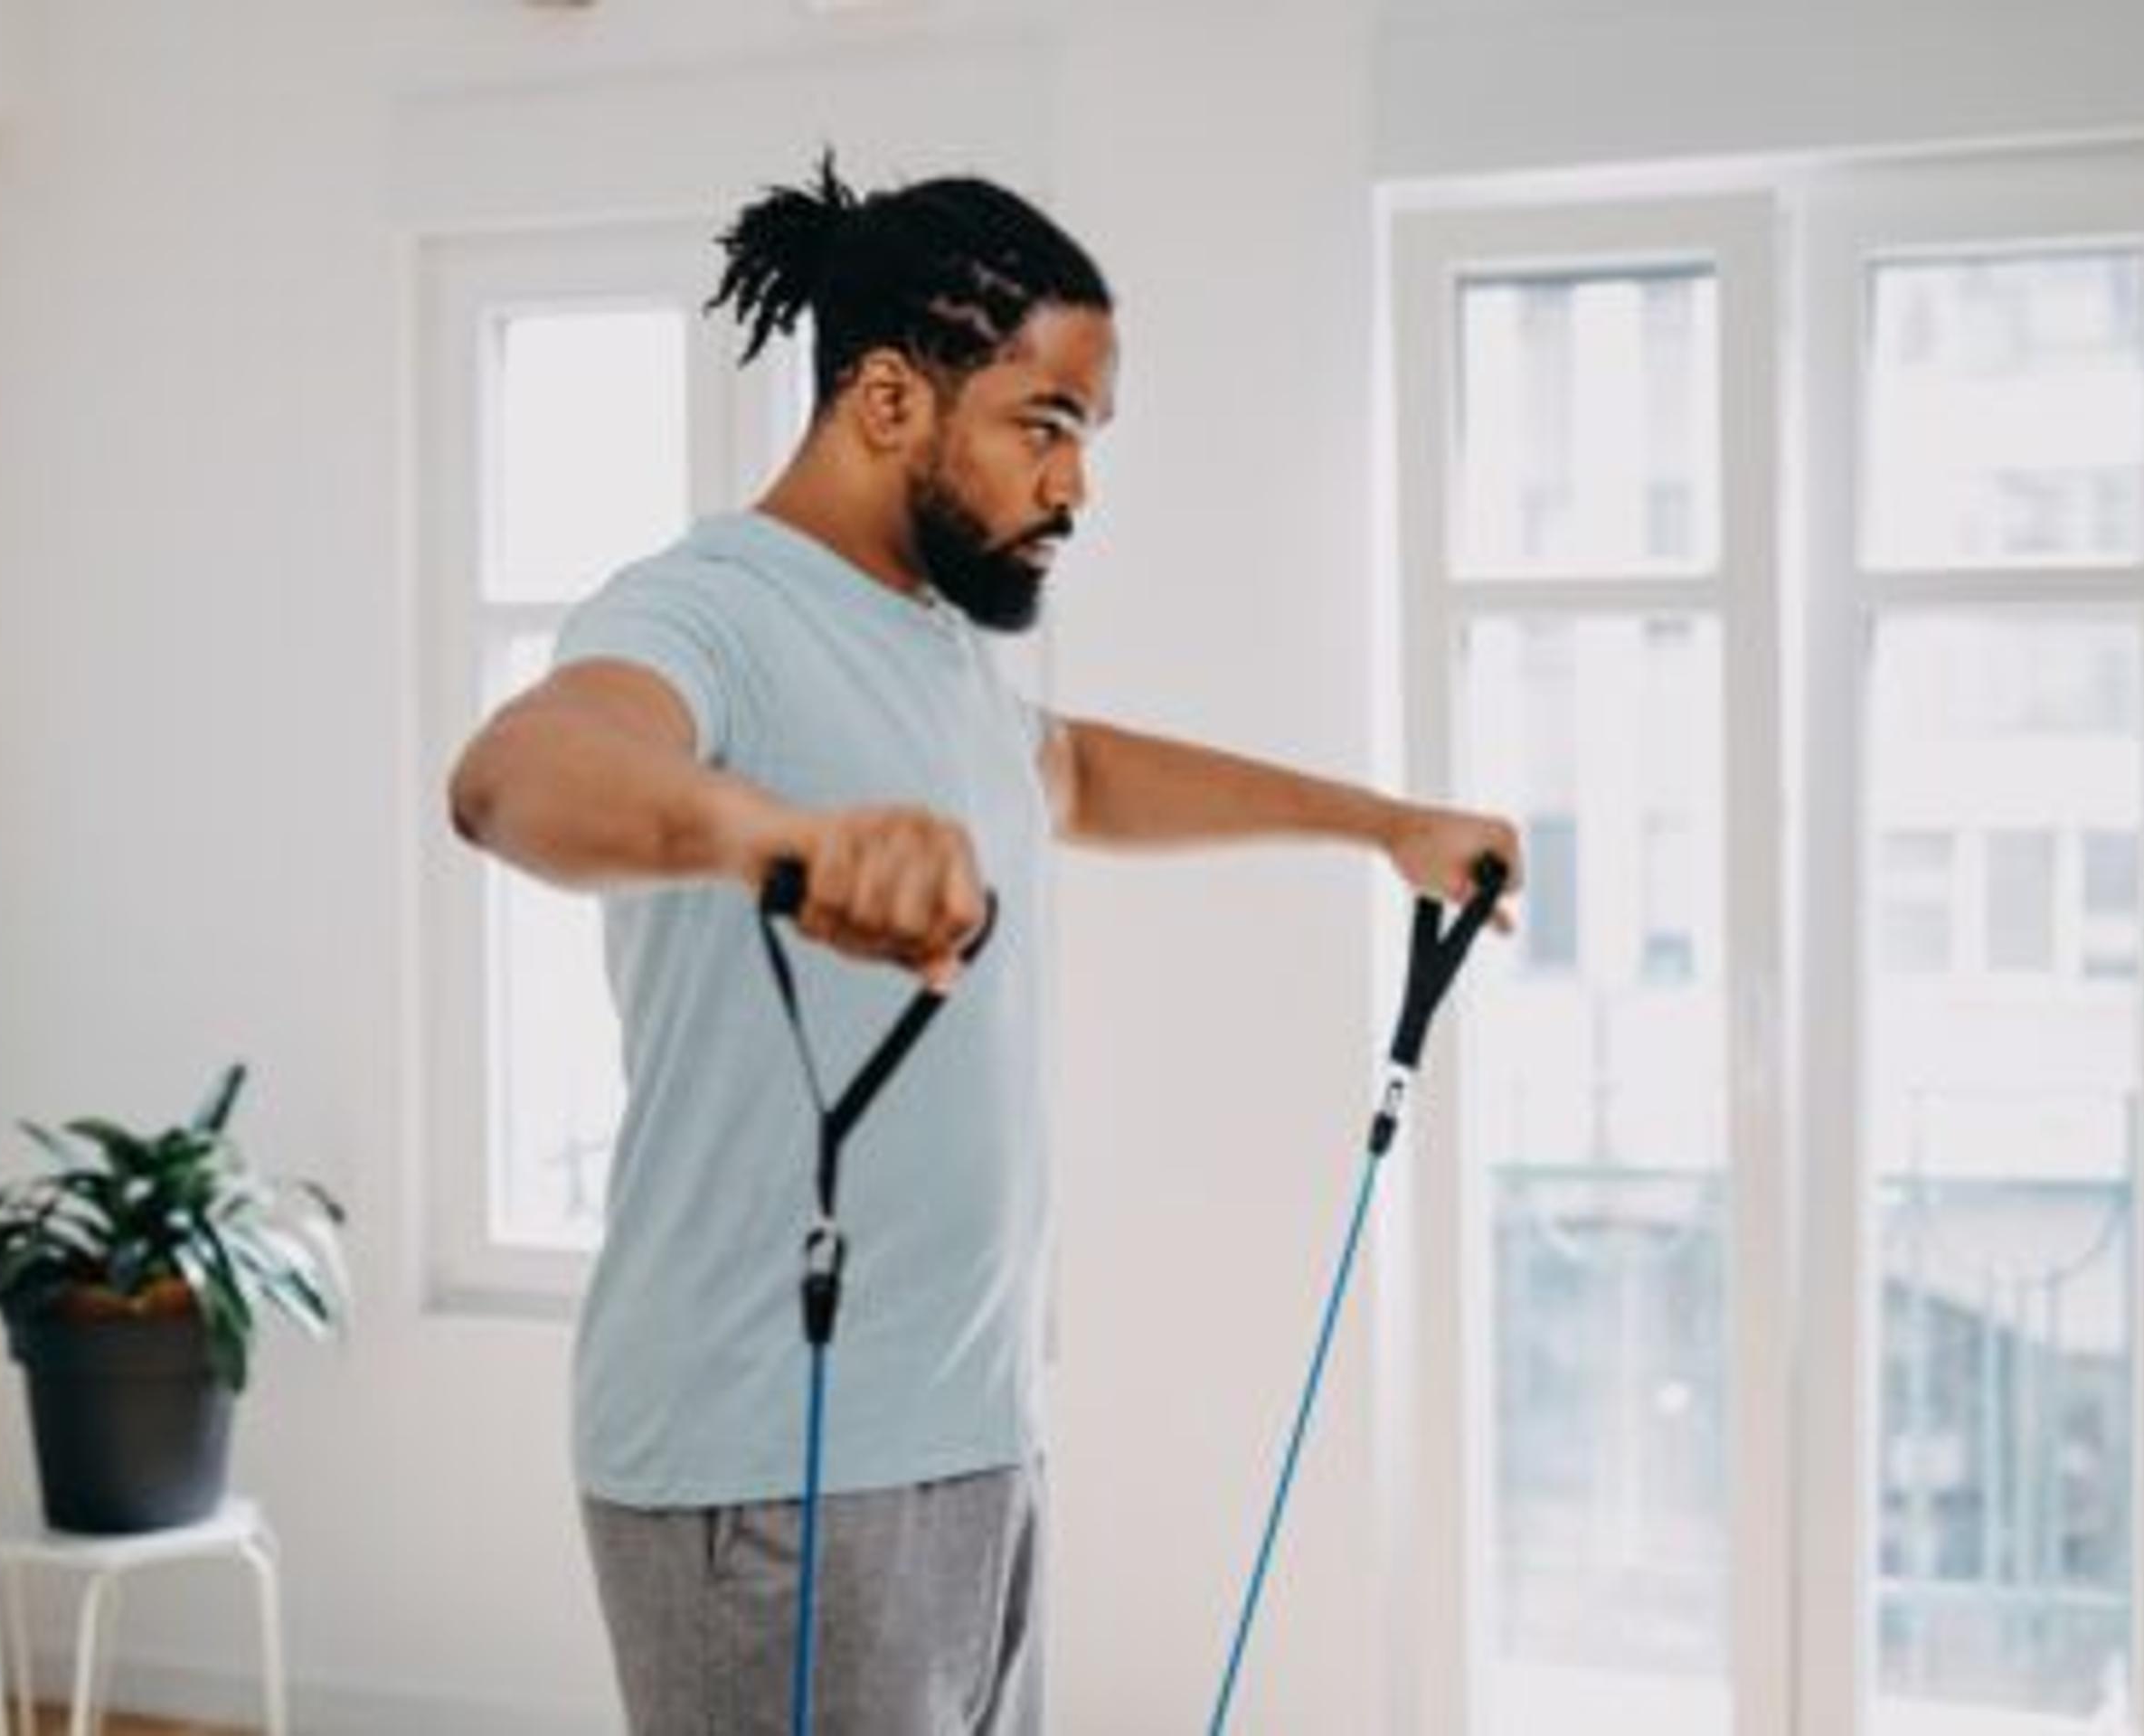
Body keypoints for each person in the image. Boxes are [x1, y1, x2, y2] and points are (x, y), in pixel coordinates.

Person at [444, 155, 1521, 1735]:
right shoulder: (702, 609)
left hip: (967, 1433)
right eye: (1048, 425)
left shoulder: (925, 644)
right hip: (771, 1462)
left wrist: (1380, 824)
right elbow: (513, 775)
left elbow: (1069, 770)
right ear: (889, 398)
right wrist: (775, 838)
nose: (1074, 487)